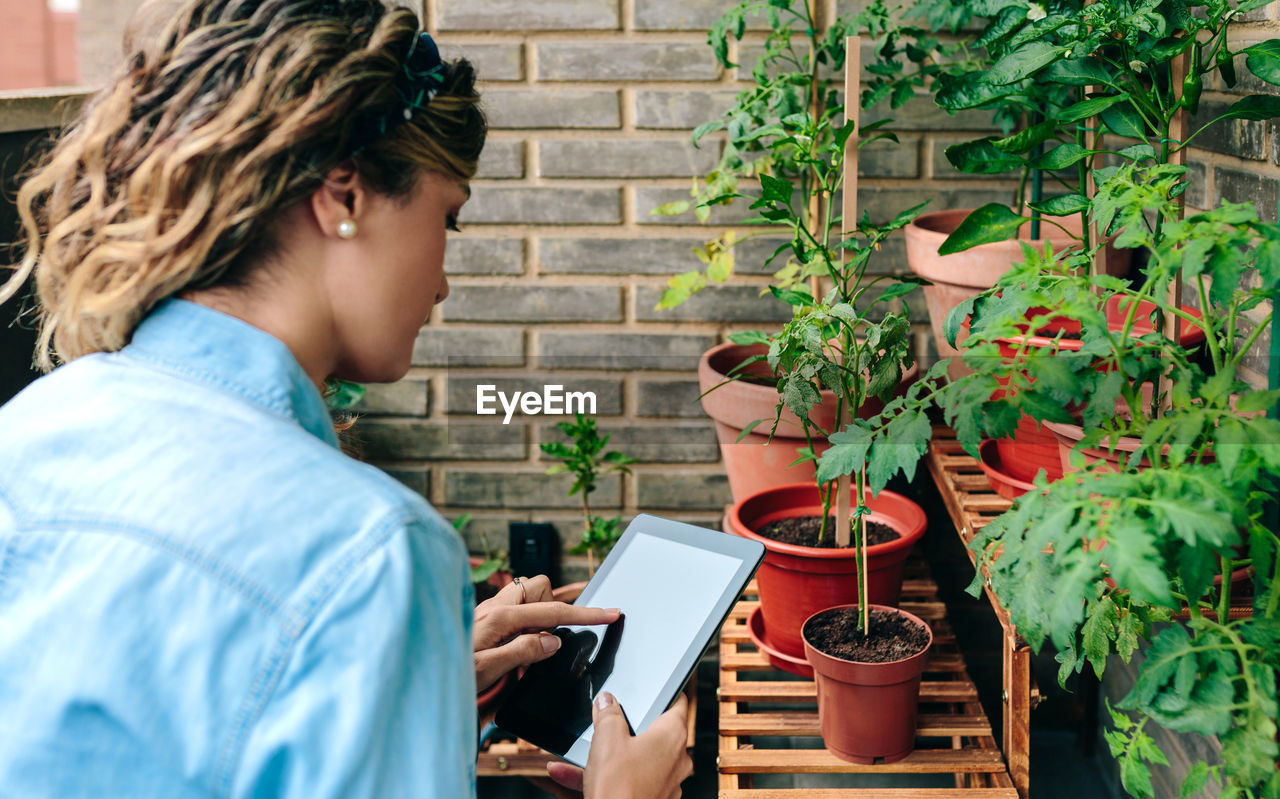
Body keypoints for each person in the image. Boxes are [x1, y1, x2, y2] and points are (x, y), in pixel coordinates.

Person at [0, 1, 692, 797]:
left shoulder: (24, 432)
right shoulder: (371, 556)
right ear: (343, 194)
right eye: (448, 219)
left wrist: (406, 688)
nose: (440, 282)